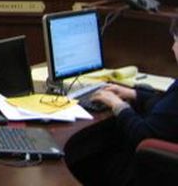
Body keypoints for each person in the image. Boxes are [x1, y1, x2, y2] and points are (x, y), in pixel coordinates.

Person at [64, 18, 178, 186]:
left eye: (175, 40)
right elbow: (167, 109)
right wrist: (133, 93)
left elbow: (143, 135)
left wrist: (118, 105)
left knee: (80, 159)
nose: (172, 47)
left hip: (148, 171)